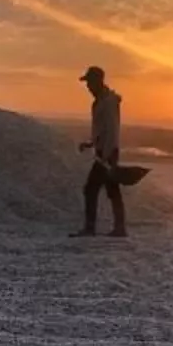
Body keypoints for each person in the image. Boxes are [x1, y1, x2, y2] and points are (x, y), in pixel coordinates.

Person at [70, 65, 127, 238]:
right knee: (112, 189)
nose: (88, 87)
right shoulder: (101, 101)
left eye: (89, 82)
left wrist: (108, 153)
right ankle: (119, 228)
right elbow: (102, 129)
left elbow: (112, 129)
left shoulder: (108, 102)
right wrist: (90, 143)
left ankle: (91, 228)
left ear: (98, 81)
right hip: (105, 151)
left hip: (107, 153)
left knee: (91, 189)